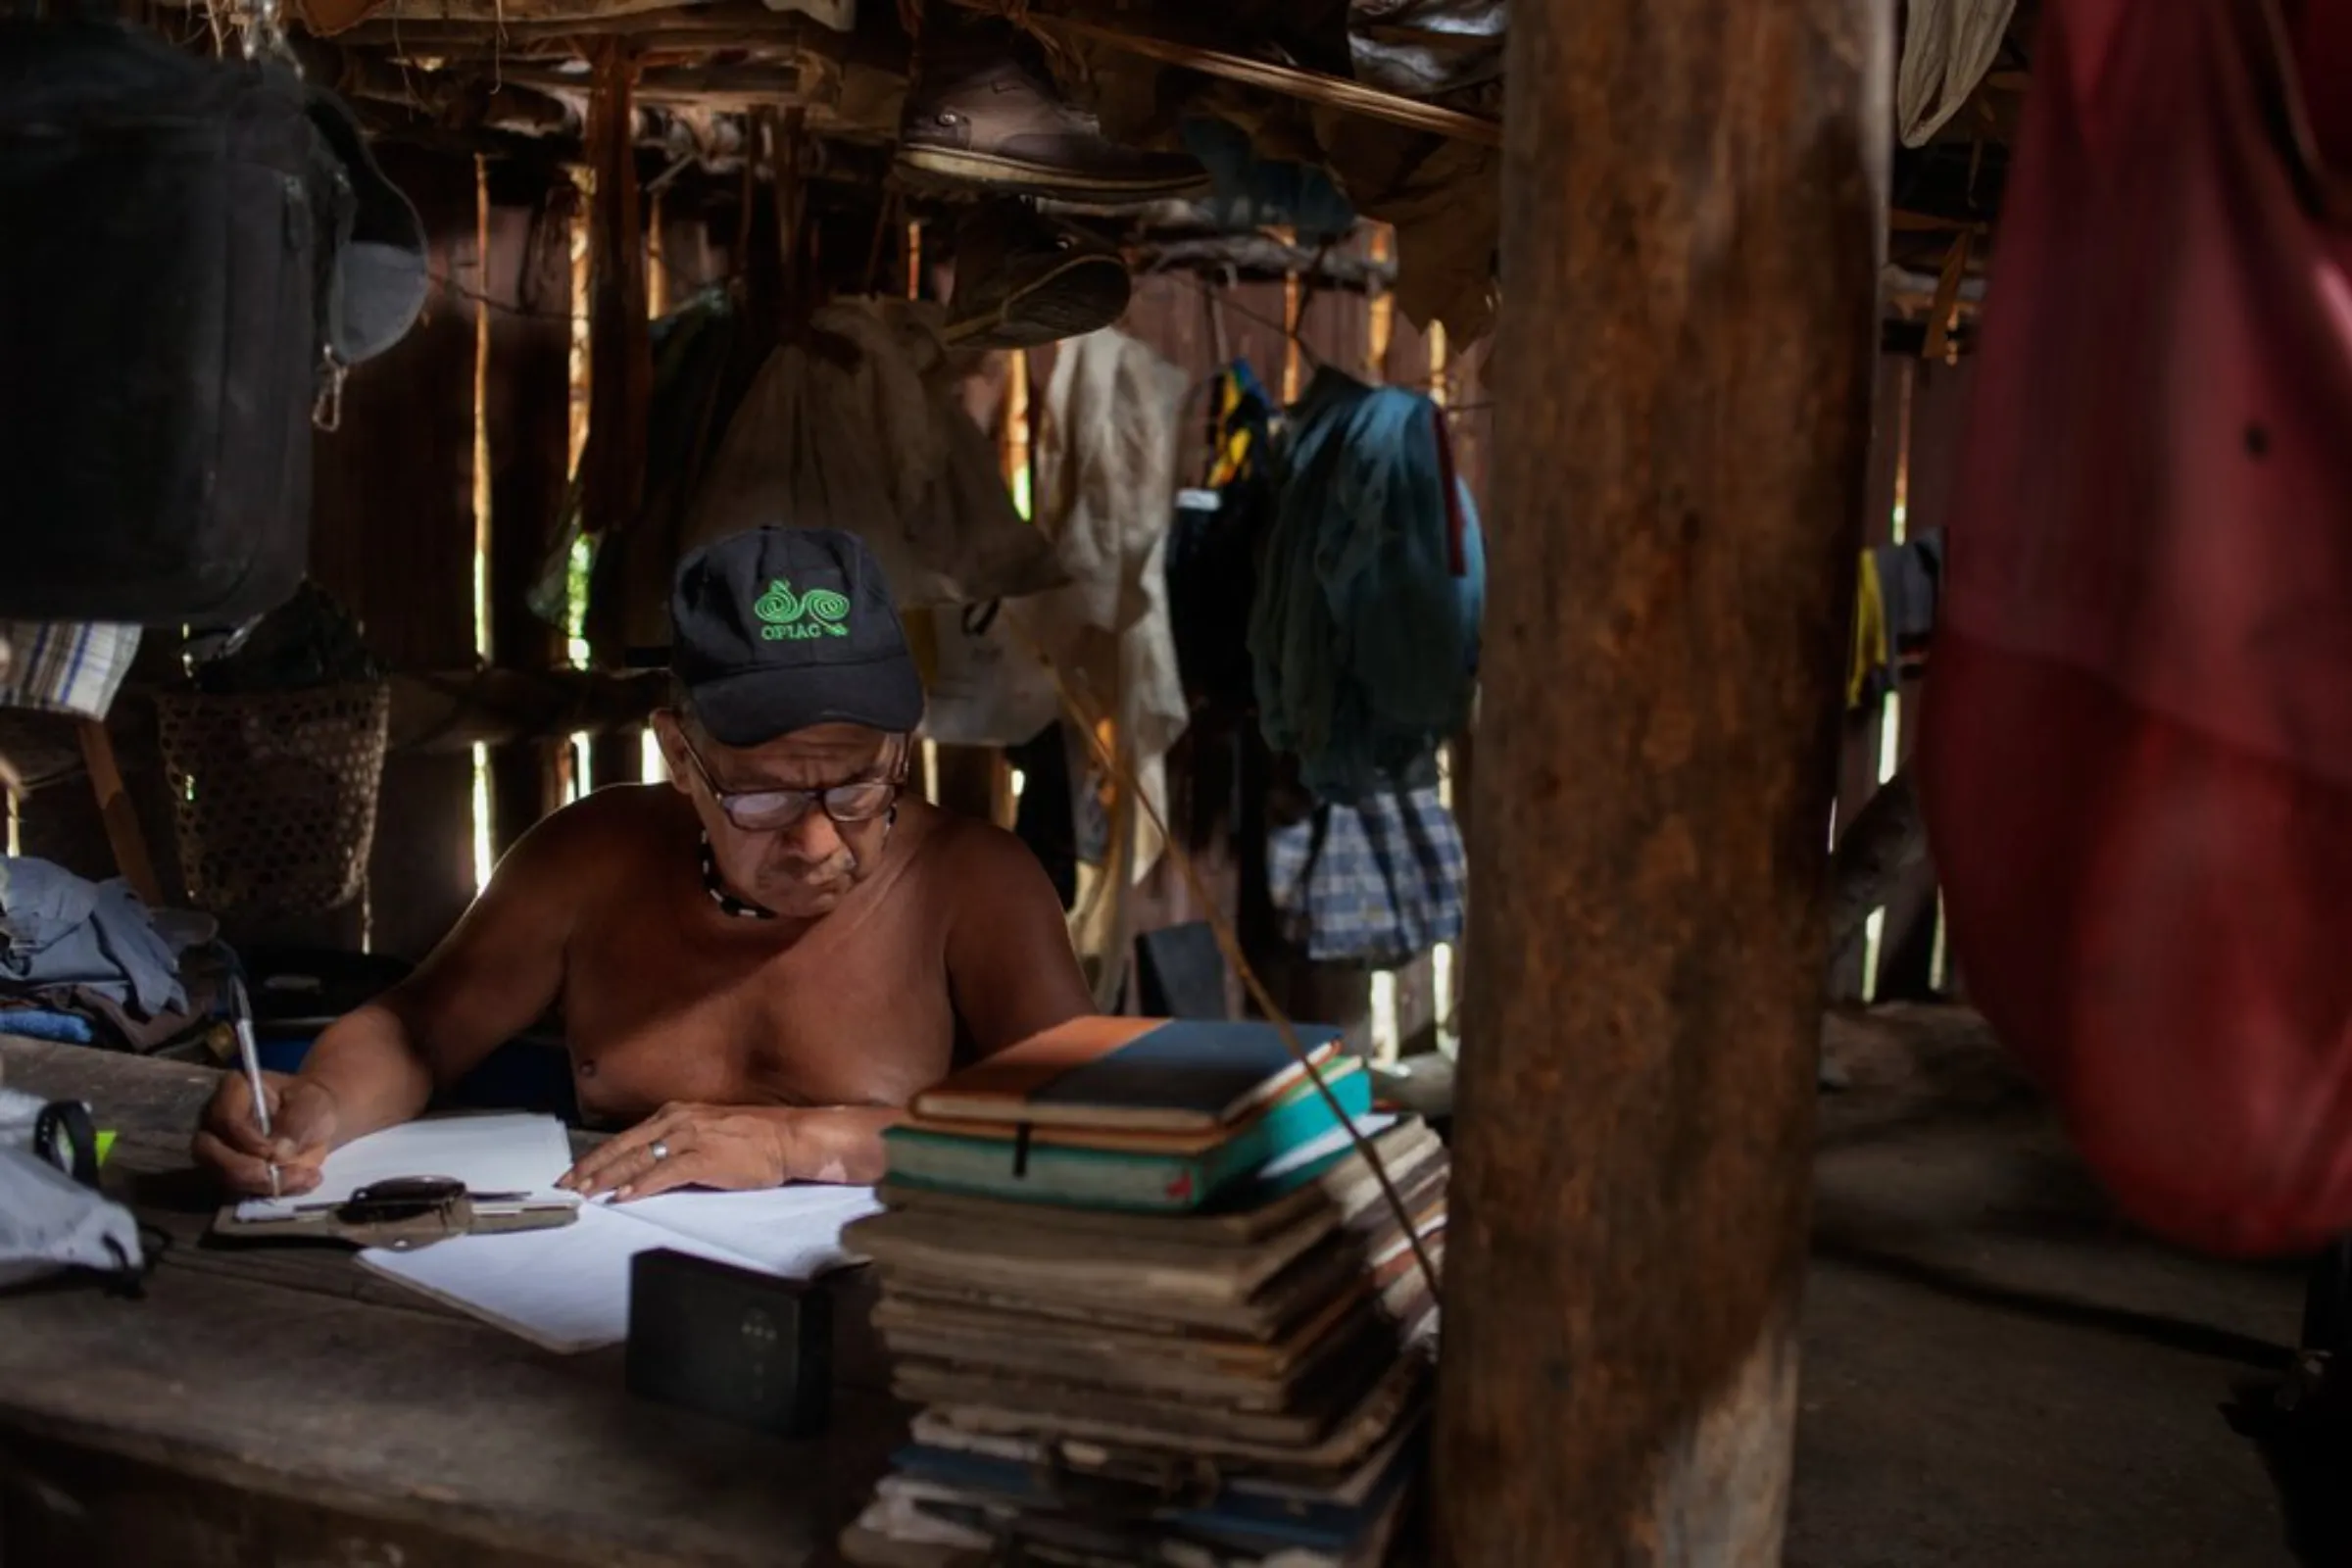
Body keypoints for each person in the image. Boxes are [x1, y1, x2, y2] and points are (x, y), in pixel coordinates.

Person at [194, 527, 1094, 1200]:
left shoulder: (973, 885)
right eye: (765, 796)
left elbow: (1081, 1134)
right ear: (679, 754)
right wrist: (316, 1107)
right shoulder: (593, 863)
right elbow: (419, 1030)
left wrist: (796, 1146)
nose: (818, 841)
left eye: (860, 784)